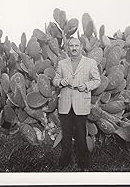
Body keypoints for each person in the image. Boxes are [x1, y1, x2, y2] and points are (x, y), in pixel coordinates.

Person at [53, 37, 101, 171]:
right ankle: (64, 163)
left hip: (81, 104)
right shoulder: (62, 63)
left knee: (81, 136)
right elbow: (55, 79)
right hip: (65, 105)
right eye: (71, 46)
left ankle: (84, 164)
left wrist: (86, 85)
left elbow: (97, 81)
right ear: (68, 48)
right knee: (66, 135)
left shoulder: (90, 63)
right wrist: (59, 82)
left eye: (76, 46)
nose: (74, 48)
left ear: (81, 47)